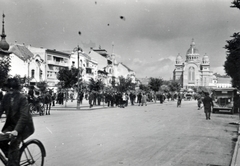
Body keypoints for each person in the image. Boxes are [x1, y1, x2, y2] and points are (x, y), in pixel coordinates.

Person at [0, 77, 35, 166]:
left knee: (14, 144)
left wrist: (16, 130)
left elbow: (24, 116)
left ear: (17, 88)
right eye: (9, 87)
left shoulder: (22, 98)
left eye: (13, 87)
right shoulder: (5, 97)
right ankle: (13, 159)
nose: (11, 89)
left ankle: (13, 161)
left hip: (24, 127)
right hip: (11, 126)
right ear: (7, 88)